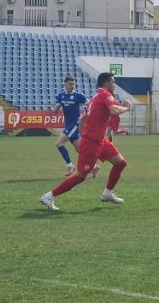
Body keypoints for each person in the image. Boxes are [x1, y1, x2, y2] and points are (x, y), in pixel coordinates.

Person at [40, 72, 131, 211]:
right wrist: (127, 107)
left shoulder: (97, 96)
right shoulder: (105, 95)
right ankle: (49, 196)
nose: (114, 84)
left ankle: (107, 193)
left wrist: (84, 131)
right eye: (113, 82)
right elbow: (113, 110)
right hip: (92, 142)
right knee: (81, 176)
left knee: (120, 163)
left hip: (100, 140)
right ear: (106, 83)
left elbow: (85, 117)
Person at [53, 76, 93, 176]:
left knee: (59, 143)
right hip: (68, 125)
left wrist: (86, 108)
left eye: (73, 84)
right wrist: (56, 108)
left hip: (75, 124)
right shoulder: (61, 95)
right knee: (79, 150)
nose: (72, 86)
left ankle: (70, 165)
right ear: (65, 84)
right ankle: (94, 166)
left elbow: (89, 103)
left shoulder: (78, 95)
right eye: (70, 84)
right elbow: (57, 105)